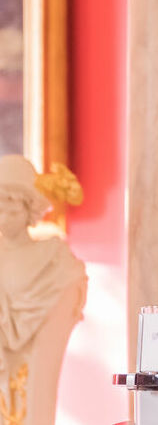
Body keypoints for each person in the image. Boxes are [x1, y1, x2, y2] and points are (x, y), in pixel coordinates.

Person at [0, 155, 86, 425]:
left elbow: (70, 288)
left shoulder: (53, 259)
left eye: (11, 208)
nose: (3, 216)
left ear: (29, 209)